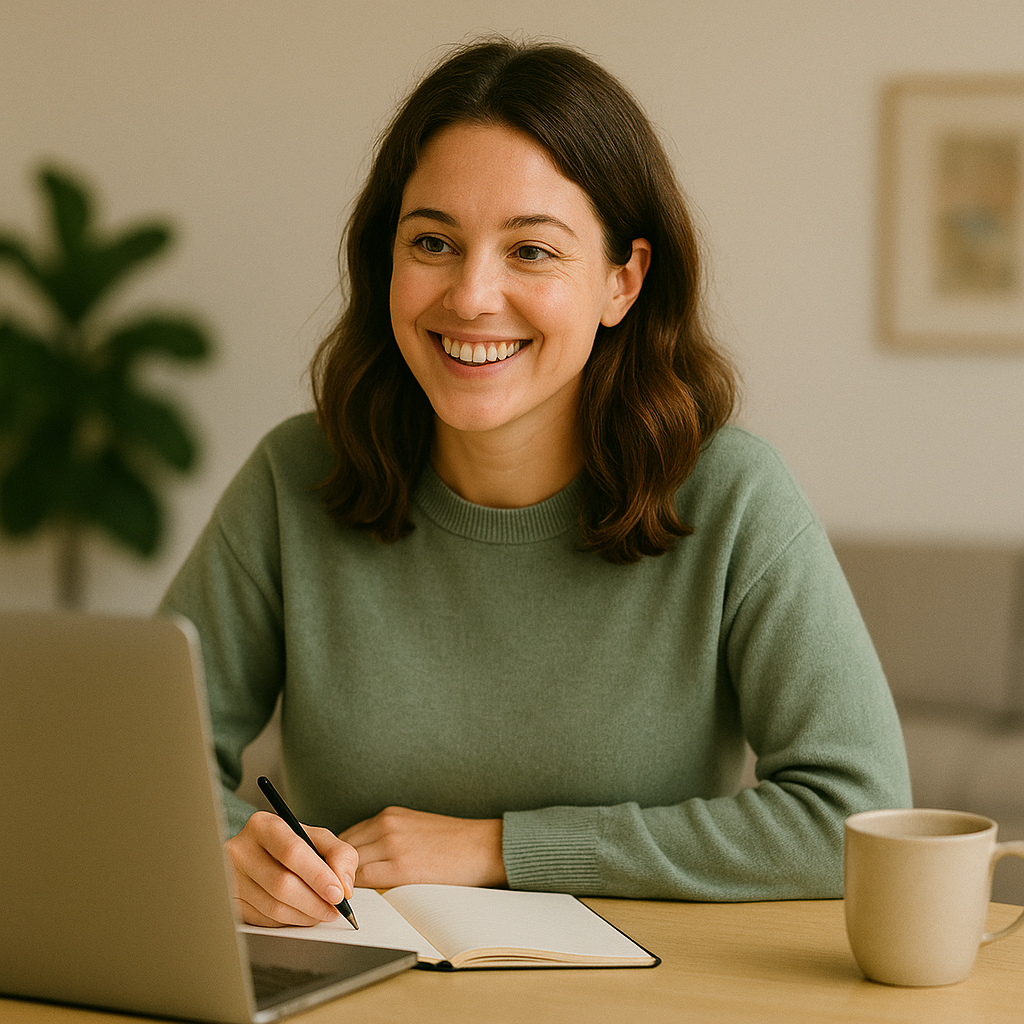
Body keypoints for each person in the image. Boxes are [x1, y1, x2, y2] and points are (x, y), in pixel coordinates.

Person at [160, 37, 911, 929]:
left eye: (531, 251)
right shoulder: (295, 478)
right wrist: (231, 850)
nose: (473, 296)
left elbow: (856, 819)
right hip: (359, 985)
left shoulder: (734, 497)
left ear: (622, 280)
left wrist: (500, 847)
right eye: (433, 242)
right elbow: (129, 767)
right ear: (385, 262)